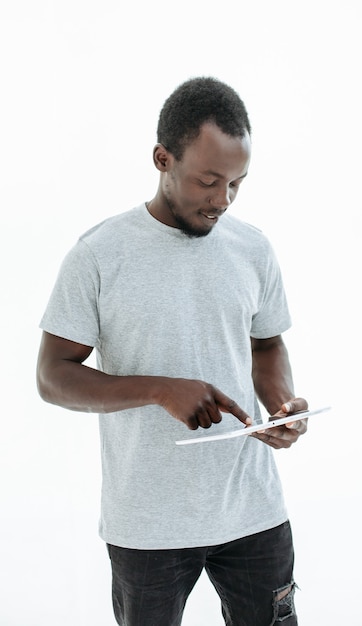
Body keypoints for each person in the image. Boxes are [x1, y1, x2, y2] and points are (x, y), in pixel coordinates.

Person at [37, 76, 308, 626]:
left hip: (253, 509)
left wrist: (280, 405)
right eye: (208, 182)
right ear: (162, 158)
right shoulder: (99, 254)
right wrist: (159, 389)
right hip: (148, 522)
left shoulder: (252, 248)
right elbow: (52, 376)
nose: (222, 201)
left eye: (236, 183)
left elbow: (267, 342)